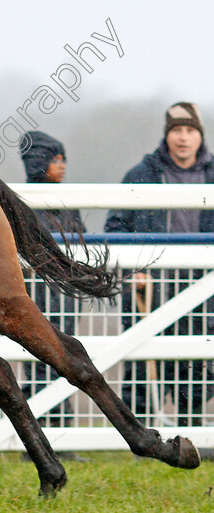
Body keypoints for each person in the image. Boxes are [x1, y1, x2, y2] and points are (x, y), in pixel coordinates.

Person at [105, 102, 214, 428]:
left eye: (190, 130)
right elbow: (116, 227)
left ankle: (190, 429)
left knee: (195, 363)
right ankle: (138, 436)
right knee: (142, 362)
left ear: (200, 135)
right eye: (176, 131)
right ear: (167, 135)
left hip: (202, 289)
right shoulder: (140, 176)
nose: (183, 138)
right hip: (150, 286)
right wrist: (132, 268)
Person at [18, 132, 89, 462]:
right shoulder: (23, 201)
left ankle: (62, 437)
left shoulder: (66, 200)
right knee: (40, 367)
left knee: (63, 361)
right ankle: (38, 440)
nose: (61, 167)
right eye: (55, 160)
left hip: (63, 296)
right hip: (38, 296)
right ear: (39, 163)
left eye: (63, 161)